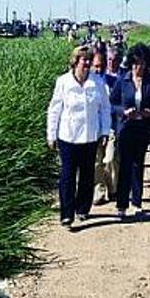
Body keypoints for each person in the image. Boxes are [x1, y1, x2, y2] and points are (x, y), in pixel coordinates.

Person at [46, 45, 111, 228]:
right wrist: (51, 134)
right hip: (68, 137)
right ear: (75, 62)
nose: (87, 64)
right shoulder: (64, 82)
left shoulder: (97, 83)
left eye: (89, 60)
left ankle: (83, 208)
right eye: (84, 60)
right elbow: (54, 109)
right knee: (67, 176)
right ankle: (67, 214)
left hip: (90, 137)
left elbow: (104, 109)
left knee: (87, 175)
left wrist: (104, 131)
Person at [110, 43, 150, 219]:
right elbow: (112, 104)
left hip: (142, 128)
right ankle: (121, 204)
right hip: (126, 128)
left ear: (146, 63)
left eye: (141, 63)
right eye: (135, 63)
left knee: (138, 165)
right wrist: (123, 112)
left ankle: (137, 202)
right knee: (125, 165)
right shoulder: (123, 80)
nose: (138, 67)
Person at [91, 45, 119, 205]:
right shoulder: (87, 83)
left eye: (102, 65)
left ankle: (113, 188)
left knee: (110, 158)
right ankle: (99, 192)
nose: (99, 68)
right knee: (96, 162)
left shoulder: (114, 81)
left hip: (111, 127)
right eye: (96, 66)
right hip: (94, 128)